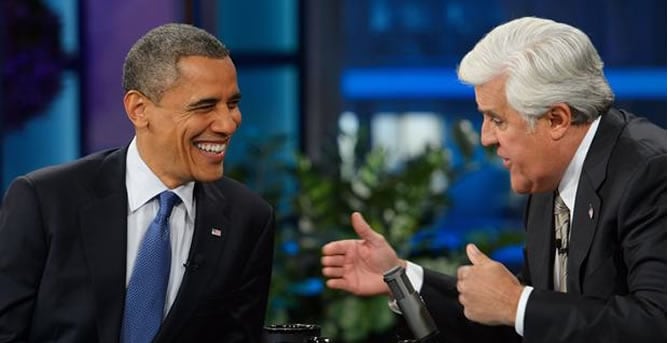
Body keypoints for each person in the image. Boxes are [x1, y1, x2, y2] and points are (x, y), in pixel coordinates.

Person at [321, 16, 666, 343]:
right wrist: (400, 277)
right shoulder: (548, 177)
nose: (485, 138)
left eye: (497, 120)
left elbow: (658, 323)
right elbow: (523, 321)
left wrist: (517, 304)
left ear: (557, 119)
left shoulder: (653, 172)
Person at [0, 23, 275, 342]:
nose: (228, 123)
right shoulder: (45, 201)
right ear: (139, 109)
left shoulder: (249, 219)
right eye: (205, 106)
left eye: (232, 104)